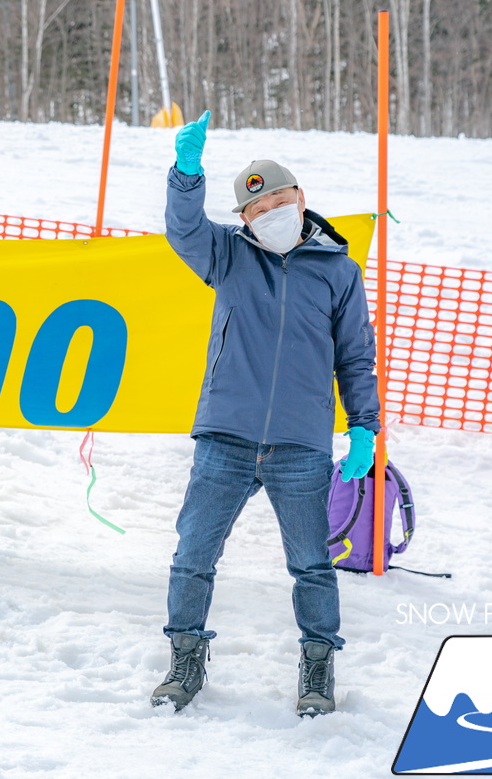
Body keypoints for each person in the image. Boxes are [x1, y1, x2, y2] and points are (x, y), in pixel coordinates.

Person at [149, 110, 380, 717]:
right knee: (193, 556)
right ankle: (185, 660)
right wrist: (186, 175)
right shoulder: (225, 255)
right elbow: (183, 228)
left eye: (278, 198)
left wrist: (364, 426)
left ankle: (317, 666)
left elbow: (356, 356)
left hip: (301, 445)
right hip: (225, 438)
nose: (269, 211)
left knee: (311, 565)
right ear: (243, 218)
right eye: (256, 207)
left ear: (300, 198)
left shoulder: (339, 270)